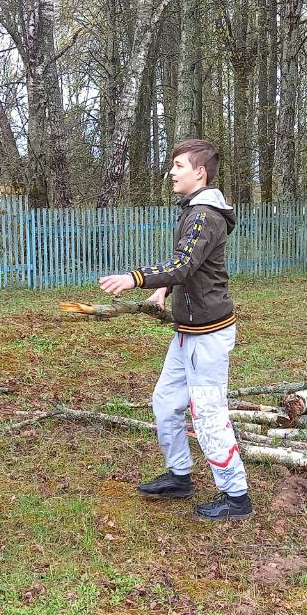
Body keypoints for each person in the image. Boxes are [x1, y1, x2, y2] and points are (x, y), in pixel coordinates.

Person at [98, 139, 251, 521]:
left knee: (209, 414)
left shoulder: (203, 214)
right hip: (187, 332)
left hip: (209, 335)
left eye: (179, 165)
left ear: (199, 172)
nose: (172, 172)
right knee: (166, 403)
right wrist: (164, 289)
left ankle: (236, 496)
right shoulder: (193, 212)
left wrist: (136, 279)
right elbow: (188, 265)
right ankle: (179, 476)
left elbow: (183, 264)